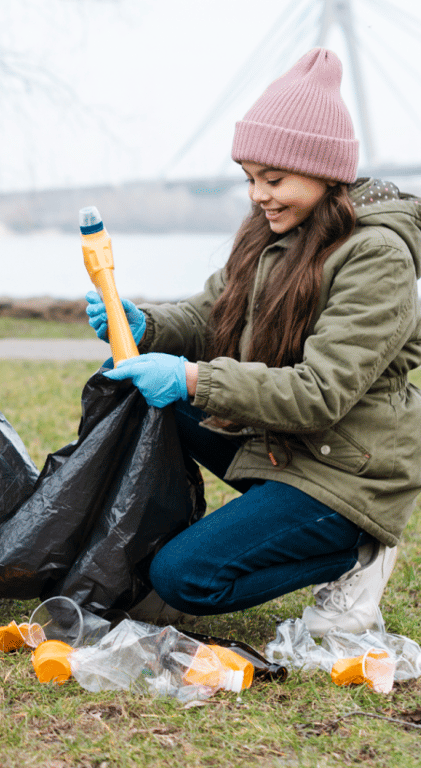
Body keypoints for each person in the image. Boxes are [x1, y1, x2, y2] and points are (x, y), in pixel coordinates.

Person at [89, 49, 421, 636]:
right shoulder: (274, 232)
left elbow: (319, 394)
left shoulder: (378, 257)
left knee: (185, 580)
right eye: (249, 178)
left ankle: (356, 549)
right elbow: (212, 310)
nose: (257, 195)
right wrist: (147, 327)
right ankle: (145, 541)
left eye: (274, 179)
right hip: (285, 444)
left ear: (326, 174)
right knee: (138, 395)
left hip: (348, 469)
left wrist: (193, 378)